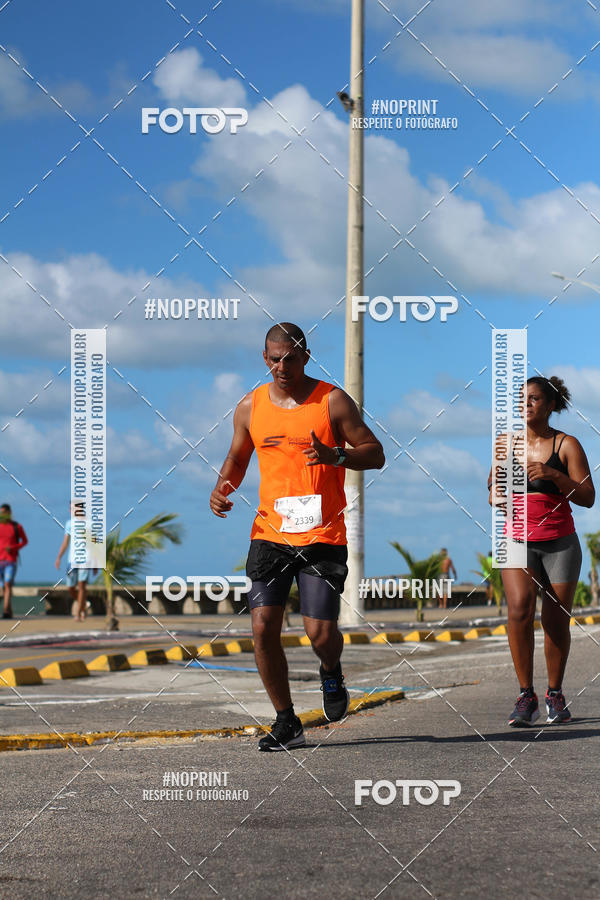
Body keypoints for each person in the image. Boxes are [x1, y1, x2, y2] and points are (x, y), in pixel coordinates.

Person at [210, 323, 385, 752]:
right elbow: (237, 456)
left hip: (322, 534)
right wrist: (222, 488)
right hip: (269, 533)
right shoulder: (250, 406)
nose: (282, 366)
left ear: (305, 356)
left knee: (320, 632)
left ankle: (331, 669)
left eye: (290, 357)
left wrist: (336, 455)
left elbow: (376, 453)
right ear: (263, 357)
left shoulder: (332, 401)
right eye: (274, 358)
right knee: (262, 626)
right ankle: (286, 720)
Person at [488, 376, 594, 727]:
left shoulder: (566, 445)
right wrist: (496, 496)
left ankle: (554, 693)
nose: (526, 404)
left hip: (560, 542)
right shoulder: (505, 444)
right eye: (522, 399)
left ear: (550, 405)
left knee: (554, 620)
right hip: (517, 540)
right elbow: (492, 486)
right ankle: (525, 696)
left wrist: (553, 474)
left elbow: (587, 497)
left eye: (534, 399)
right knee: (519, 609)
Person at [55, 504, 93, 621]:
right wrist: (59, 557)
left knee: (82, 586)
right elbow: (66, 542)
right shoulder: (69, 523)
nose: (73, 510)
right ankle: (83, 605)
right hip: (72, 560)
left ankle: (78, 613)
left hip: (85, 559)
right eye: (71, 508)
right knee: (71, 588)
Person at [0, 503, 28, 619]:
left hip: (11, 560)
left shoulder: (17, 526)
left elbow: (25, 541)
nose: (2, 515)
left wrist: (14, 548)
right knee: (4, 587)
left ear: (9, 513)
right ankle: (9, 610)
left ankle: (6, 610)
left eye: (4, 513)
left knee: (7, 584)